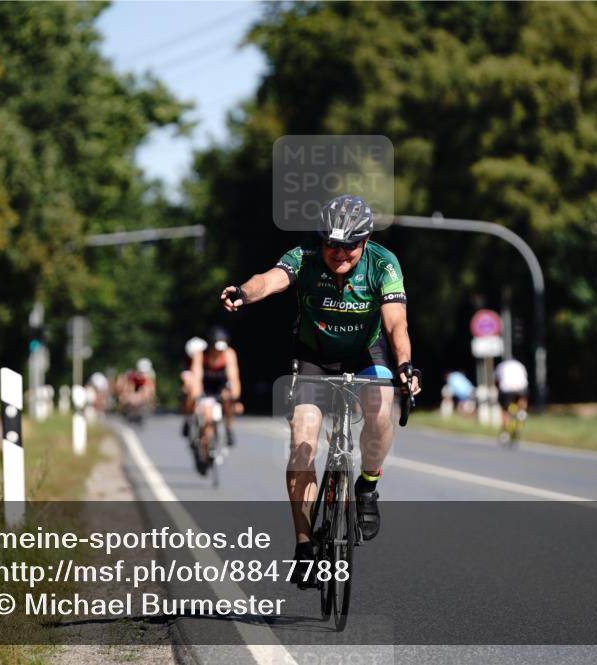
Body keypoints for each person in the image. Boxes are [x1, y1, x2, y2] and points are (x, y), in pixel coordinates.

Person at [220, 194, 421, 588]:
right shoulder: (306, 256)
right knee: (302, 442)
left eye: (349, 245)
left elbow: (397, 323)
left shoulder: (384, 264)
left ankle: (367, 486)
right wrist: (243, 293)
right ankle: (303, 544)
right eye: (331, 243)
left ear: (364, 242)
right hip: (313, 355)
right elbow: (269, 280)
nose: (339, 252)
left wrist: (404, 366)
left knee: (381, 408)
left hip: (368, 351)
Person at [188, 326, 241, 472]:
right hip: (205, 386)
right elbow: (196, 376)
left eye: (221, 349)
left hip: (221, 386)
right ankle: (196, 433)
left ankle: (229, 428)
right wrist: (197, 395)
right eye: (216, 348)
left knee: (228, 399)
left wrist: (234, 395)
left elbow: (234, 377)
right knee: (203, 409)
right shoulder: (200, 355)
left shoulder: (229, 354)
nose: (219, 352)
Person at [180, 336, 208, 436]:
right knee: (189, 395)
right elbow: (186, 378)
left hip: (207, 387)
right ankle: (188, 419)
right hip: (194, 388)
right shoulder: (186, 363)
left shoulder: (207, 360)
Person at [494, 358, 529, 437]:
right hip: (521, 388)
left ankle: (505, 431)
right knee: (522, 398)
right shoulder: (520, 365)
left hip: (506, 389)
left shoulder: (501, 366)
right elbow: (525, 379)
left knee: (504, 410)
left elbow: (496, 381)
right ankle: (522, 411)